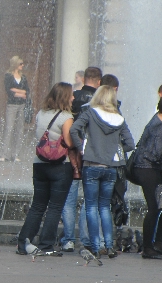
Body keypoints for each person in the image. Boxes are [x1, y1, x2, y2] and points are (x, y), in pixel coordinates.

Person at [70, 85, 135, 260]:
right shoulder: (119, 118)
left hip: (92, 164)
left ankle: (96, 246)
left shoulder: (90, 113)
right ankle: (109, 245)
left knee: (91, 206)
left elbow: (74, 129)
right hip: (110, 167)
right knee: (105, 207)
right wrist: (114, 150)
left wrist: (82, 147)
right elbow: (130, 143)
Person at [16, 83, 74, 256]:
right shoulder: (66, 117)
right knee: (55, 207)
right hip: (59, 165)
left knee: (37, 205)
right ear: (64, 97)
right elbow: (69, 142)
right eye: (71, 95)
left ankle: (23, 242)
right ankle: (46, 244)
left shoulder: (40, 114)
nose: (73, 98)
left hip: (39, 163)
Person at [60, 66, 103, 253]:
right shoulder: (101, 100)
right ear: (99, 82)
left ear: (84, 79)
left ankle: (68, 239)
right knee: (90, 199)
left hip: (72, 154)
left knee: (69, 198)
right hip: (92, 154)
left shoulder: (74, 97)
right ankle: (86, 238)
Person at [133, 92, 162, 260]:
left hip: (153, 167)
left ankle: (158, 243)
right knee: (154, 207)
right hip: (145, 168)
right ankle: (148, 247)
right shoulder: (158, 126)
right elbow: (154, 153)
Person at [0, 55, 29, 162]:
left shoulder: (23, 77)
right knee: (9, 128)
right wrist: (20, 93)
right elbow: (9, 91)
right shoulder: (8, 76)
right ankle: (4, 154)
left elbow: (26, 91)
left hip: (21, 105)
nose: (22, 65)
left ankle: (15, 154)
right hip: (11, 105)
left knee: (20, 129)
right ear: (15, 64)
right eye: (21, 64)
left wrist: (17, 92)